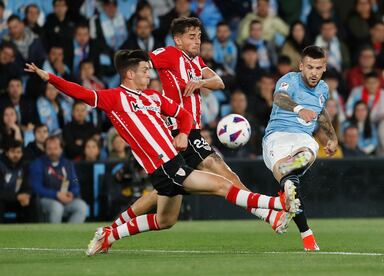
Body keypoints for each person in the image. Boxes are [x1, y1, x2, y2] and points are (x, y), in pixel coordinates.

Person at [24, 49, 299, 255]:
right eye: (145, 70)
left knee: (165, 220)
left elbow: (184, 115)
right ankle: (277, 204)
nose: (149, 74)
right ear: (130, 73)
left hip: (173, 160)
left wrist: (181, 133)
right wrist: (48, 77)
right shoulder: (114, 98)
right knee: (219, 185)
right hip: (162, 166)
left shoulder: (153, 97)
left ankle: (109, 234)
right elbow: (80, 93)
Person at [117, 17, 294, 237]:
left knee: (164, 191)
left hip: (190, 132)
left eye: (199, 36)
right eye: (191, 37)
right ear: (178, 40)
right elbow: (142, 61)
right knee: (225, 173)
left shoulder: (196, 62)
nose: (197, 41)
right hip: (180, 131)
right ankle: (270, 215)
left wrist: (200, 82)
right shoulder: (170, 54)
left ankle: (115, 226)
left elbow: (219, 82)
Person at [262, 45, 339, 251]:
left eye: (318, 68)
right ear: (301, 66)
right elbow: (279, 98)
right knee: (290, 178)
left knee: (307, 152)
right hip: (277, 136)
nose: (313, 73)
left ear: (324, 68)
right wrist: (299, 108)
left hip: (302, 138)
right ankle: (288, 183)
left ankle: (286, 183)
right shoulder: (290, 80)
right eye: (310, 67)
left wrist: (332, 136)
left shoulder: (323, 88)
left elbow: (321, 113)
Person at [29, 135, 88, 223]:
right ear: (45, 149)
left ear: (61, 149)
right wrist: (56, 194)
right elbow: (36, 187)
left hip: (66, 199)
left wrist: (72, 193)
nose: (52, 151)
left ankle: (70, 233)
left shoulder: (68, 164)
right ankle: (54, 235)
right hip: (45, 199)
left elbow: (75, 180)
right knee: (57, 207)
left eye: (55, 148)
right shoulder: (37, 164)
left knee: (82, 206)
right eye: (49, 148)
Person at [0, 140, 37, 223]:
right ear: (6, 153)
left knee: (33, 199)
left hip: (20, 199)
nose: (16, 155)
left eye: (18, 152)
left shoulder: (26, 166)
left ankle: (32, 229)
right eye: (12, 152)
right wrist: (15, 197)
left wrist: (26, 194)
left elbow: (30, 184)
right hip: (4, 199)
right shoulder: (1, 166)